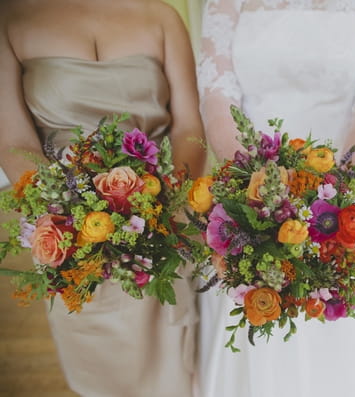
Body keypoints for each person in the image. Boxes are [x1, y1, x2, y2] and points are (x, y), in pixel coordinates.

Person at [194, 1, 355, 396]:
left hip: (347, 186)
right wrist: (257, 191)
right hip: (250, 185)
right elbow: (218, 99)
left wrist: (334, 194)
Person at [0, 0, 206, 395]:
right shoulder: (12, 18)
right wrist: (67, 209)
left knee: (174, 370)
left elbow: (189, 128)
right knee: (101, 370)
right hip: (70, 232)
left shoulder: (161, 16)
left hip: (162, 220)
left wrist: (162, 203)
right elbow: (14, 141)